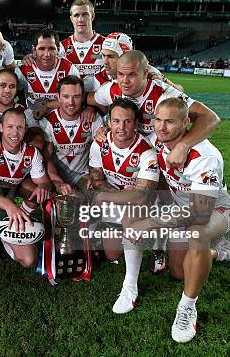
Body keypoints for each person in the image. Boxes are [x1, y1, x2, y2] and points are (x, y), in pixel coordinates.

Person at [124, 98, 230, 343]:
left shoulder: (206, 156)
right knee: (179, 272)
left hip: (216, 211)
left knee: (198, 234)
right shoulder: (159, 142)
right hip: (183, 212)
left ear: (186, 122)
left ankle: (187, 308)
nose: (162, 127)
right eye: (158, 120)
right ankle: (219, 251)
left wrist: (149, 224)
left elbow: (198, 213)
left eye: (170, 121)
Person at [88, 50, 222, 273]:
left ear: (146, 74)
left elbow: (211, 118)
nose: (125, 80)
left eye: (131, 75)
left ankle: (160, 247)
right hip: (139, 157)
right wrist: (99, 120)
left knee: (162, 197)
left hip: (161, 157)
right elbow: (89, 99)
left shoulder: (163, 93)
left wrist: (182, 146)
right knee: (144, 202)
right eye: (120, 74)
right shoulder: (111, 89)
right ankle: (141, 244)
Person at [87, 99, 159, 307]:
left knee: (132, 212)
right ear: (109, 121)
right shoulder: (100, 143)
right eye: (116, 121)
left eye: (127, 122)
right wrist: (116, 194)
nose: (121, 127)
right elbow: (96, 179)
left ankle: (130, 287)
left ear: (136, 123)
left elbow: (141, 196)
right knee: (112, 254)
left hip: (145, 206)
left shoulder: (147, 152)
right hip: (116, 199)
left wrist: (107, 195)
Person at [0, 108, 53, 279]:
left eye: (19, 128)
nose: (14, 133)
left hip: (11, 207)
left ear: (25, 129)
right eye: (9, 127)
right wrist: (10, 206)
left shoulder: (32, 153)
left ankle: (1, 230)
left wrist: (44, 186)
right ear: (0, 128)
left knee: (29, 259)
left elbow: (43, 181)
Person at [40, 75, 102, 193]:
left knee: (96, 196)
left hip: (82, 176)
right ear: (58, 97)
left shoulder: (93, 118)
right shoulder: (47, 122)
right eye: (65, 96)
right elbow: (45, 160)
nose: (71, 102)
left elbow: (100, 154)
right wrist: (58, 183)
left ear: (83, 97)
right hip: (55, 176)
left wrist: (94, 175)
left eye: (76, 97)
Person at [16, 28, 81, 116]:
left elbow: (78, 99)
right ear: (34, 50)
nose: (47, 54)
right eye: (42, 49)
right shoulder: (22, 70)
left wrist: (47, 106)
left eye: (51, 48)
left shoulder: (69, 69)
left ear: (58, 49)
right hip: (32, 120)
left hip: (62, 119)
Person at [59, 0, 105, 78]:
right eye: (76, 15)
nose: (81, 19)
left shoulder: (106, 44)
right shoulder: (61, 47)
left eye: (85, 14)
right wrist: (31, 58)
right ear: (71, 19)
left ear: (92, 16)